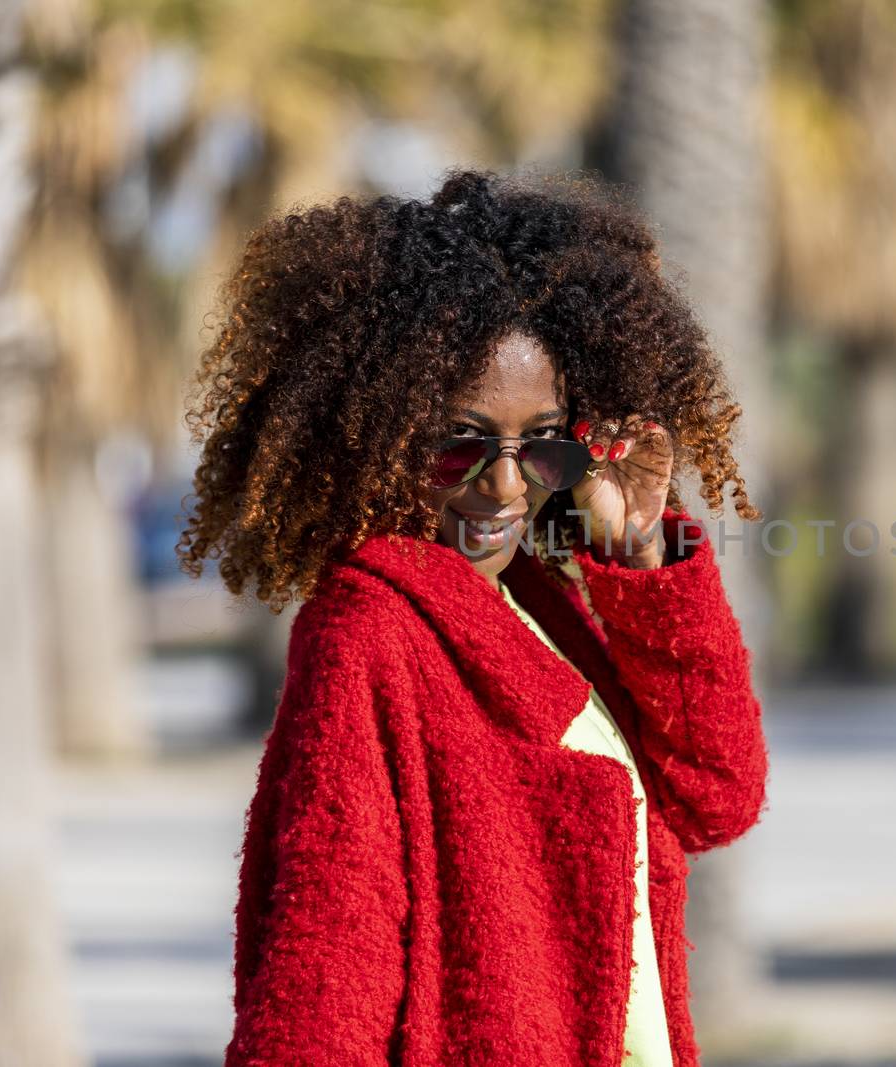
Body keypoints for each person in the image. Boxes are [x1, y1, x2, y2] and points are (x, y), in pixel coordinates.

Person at [178, 169, 769, 1067]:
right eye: (461, 441)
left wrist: (636, 550)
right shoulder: (370, 633)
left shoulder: (538, 602)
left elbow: (716, 790)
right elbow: (322, 980)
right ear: (379, 433)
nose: (503, 483)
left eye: (542, 442)